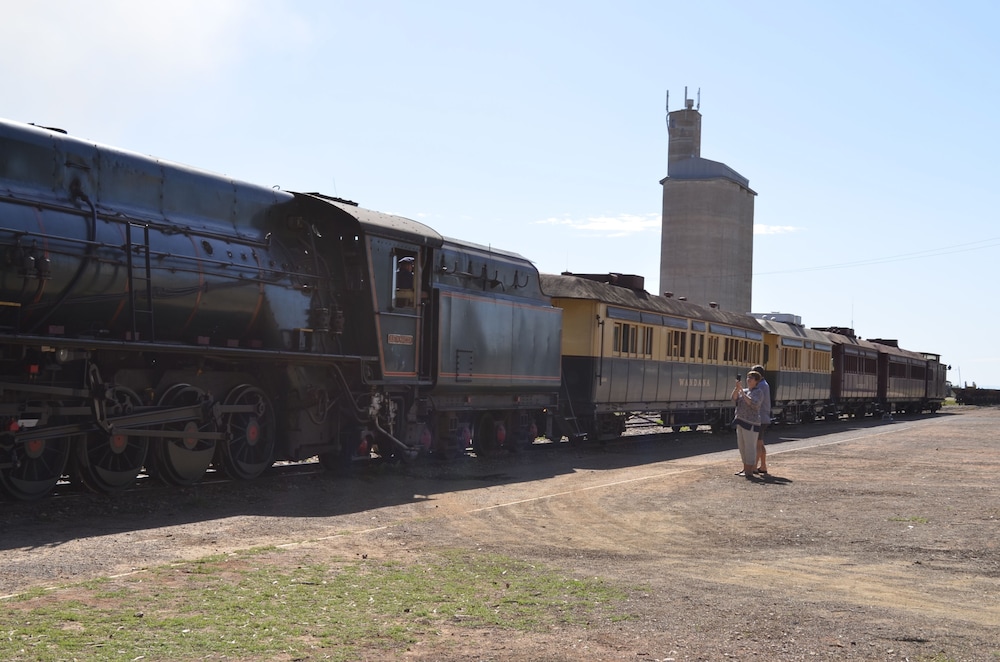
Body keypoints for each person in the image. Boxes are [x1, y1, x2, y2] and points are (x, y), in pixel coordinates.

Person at [731, 370, 764, 479]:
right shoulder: (743, 390)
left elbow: (753, 404)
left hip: (751, 423)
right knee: (742, 446)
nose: (748, 380)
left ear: (756, 381)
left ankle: (750, 470)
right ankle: (745, 468)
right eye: (748, 377)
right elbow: (734, 398)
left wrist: (742, 392)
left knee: (750, 447)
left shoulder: (758, 392)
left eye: (751, 378)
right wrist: (737, 389)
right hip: (740, 421)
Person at [751, 364, 771, 475]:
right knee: (760, 443)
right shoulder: (764, 384)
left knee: (757, 444)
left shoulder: (761, 386)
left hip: (760, 417)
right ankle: (763, 466)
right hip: (764, 417)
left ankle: (754, 467)